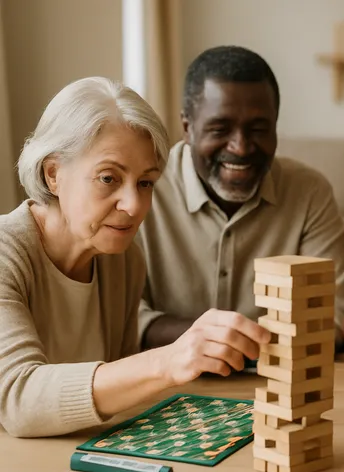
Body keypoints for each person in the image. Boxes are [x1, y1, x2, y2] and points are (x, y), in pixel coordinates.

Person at [0, 77, 271, 438]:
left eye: (145, 183)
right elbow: (18, 400)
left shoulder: (123, 261)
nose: (133, 207)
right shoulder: (6, 253)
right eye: (109, 178)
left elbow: (116, 400)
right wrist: (169, 360)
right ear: (53, 174)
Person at [135, 46, 344, 354]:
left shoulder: (309, 192)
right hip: (163, 376)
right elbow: (120, 316)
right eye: (220, 129)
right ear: (187, 128)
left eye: (259, 129)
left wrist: (241, 343)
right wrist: (205, 338)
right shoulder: (143, 188)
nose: (240, 147)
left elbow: (334, 312)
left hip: (274, 379)